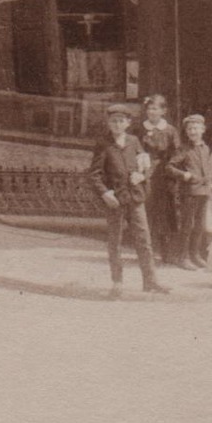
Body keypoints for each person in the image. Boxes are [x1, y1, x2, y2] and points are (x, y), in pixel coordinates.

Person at [88, 103, 169, 299]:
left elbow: (145, 165)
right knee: (115, 242)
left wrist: (142, 176)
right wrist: (105, 193)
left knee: (144, 240)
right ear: (108, 123)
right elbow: (94, 175)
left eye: (121, 121)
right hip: (116, 200)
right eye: (113, 121)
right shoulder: (103, 144)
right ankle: (117, 282)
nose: (117, 124)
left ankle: (150, 281)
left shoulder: (134, 141)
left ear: (128, 123)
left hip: (135, 198)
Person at [131, 94, 181, 265]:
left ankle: (167, 252)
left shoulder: (170, 130)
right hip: (146, 173)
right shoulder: (140, 129)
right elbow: (134, 149)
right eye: (149, 108)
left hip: (164, 175)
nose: (152, 112)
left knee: (166, 212)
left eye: (156, 109)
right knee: (147, 211)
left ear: (163, 111)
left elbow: (177, 152)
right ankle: (148, 253)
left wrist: (171, 167)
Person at [168, 113, 212, 270]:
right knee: (188, 224)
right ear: (186, 132)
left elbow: (207, 168)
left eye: (196, 128)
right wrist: (184, 175)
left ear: (203, 129)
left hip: (204, 191)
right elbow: (169, 167)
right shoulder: (183, 149)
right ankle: (183, 257)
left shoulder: (206, 148)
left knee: (199, 225)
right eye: (189, 129)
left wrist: (210, 182)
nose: (193, 131)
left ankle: (195, 255)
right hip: (189, 192)